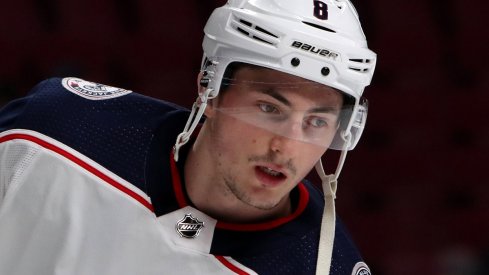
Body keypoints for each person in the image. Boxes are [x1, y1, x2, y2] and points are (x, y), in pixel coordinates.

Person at [0, 0, 376, 274]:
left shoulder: (329, 268)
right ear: (207, 90)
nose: (287, 148)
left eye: (317, 122)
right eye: (268, 108)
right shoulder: (52, 132)